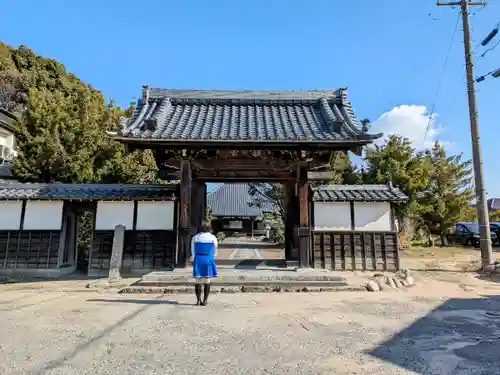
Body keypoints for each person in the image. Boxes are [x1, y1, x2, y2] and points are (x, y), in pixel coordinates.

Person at [192, 220, 218, 306]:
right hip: (208, 259)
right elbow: (215, 250)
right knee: (207, 280)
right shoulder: (213, 237)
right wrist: (212, 258)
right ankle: (205, 300)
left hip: (198, 258)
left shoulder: (195, 237)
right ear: (208, 227)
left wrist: (195, 258)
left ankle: (198, 300)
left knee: (198, 280)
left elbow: (193, 251)